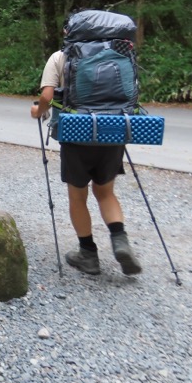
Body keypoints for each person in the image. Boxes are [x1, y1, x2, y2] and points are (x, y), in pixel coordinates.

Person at [30, 18, 142, 277]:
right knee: (105, 192)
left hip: (76, 134)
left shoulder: (61, 56)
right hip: (113, 131)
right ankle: (120, 241)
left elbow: (47, 96)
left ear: (70, 32)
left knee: (78, 196)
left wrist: (39, 111)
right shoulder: (122, 53)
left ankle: (88, 255)